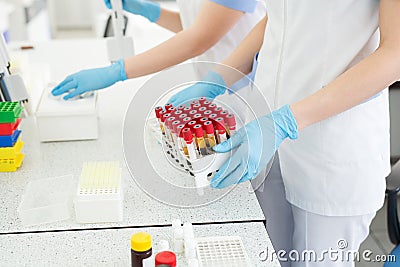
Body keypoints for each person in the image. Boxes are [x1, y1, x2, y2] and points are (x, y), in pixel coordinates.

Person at [169, 0, 398, 266]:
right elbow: (276, 17)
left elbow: (395, 55)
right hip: (264, 135)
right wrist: (219, 77)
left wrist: (285, 121)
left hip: (331, 146)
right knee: (262, 256)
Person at [51, 0, 266, 99]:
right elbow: (200, 24)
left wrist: (118, 71)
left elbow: (200, 38)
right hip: (219, 83)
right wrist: (148, 10)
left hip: (247, 86)